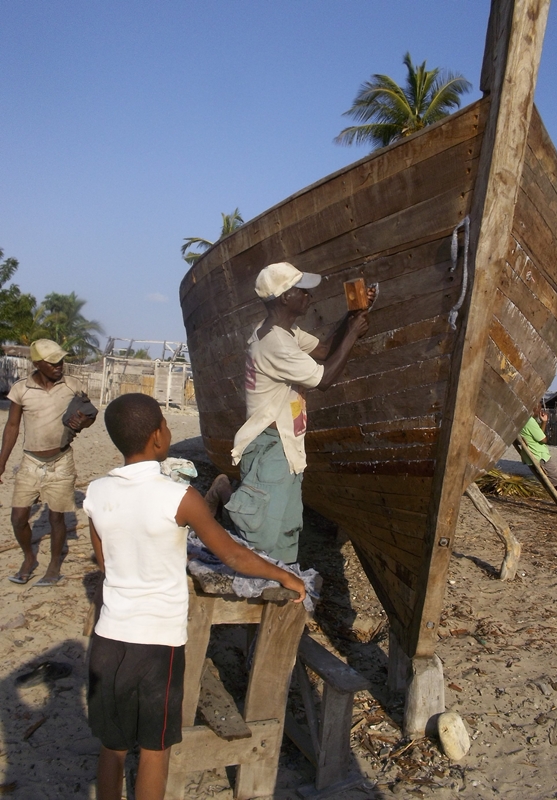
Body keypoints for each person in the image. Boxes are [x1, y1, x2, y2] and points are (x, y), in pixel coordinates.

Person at [84, 393, 305, 800]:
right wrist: (285, 576)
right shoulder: (178, 496)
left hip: (109, 638)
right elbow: (232, 554)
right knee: (154, 750)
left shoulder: (96, 493)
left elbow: (105, 564)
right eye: (166, 424)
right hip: (157, 645)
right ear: (157, 437)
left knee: (112, 747)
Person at [226, 261, 372, 564]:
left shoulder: (283, 332)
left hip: (284, 446)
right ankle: (259, 589)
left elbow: (325, 350)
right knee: (264, 538)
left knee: (286, 529)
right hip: (270, 450)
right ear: (284, 297)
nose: (309, 296)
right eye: (302, 291)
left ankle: (281, 585)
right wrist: (353, 334)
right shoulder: (276, 343)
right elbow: (324, 379)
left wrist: (352, 315)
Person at [0, 339, 96, 586]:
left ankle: (54, 566)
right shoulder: (21, 390)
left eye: (60, 360)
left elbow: (90, 414)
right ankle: (29, 558)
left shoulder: (72, 385)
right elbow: (12, 427)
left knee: (56, 518)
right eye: (53, 362)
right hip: (30, 462)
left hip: (61, 461)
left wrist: (82, 422)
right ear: (37, 364)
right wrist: (1, 462)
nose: (59, 366)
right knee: (18, 518)